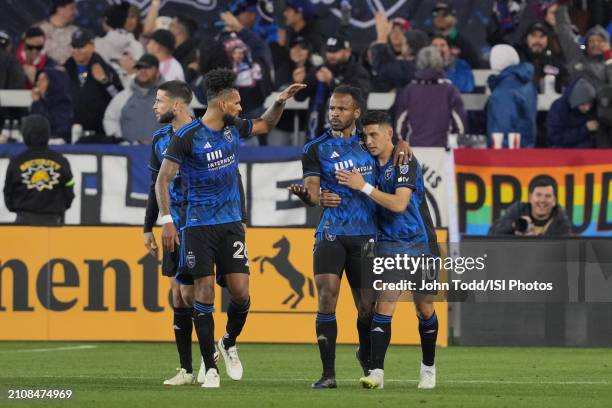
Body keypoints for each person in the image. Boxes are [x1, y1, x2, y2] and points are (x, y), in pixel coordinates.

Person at [155, 68, 305, 388]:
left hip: (231, 224)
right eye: (236, 102)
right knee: (204, 292)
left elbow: (266, 123)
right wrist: (167, 220)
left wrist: (279, 101)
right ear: (223, 104)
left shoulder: (233, 126)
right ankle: (210, 368)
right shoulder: (187, 137)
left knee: (241, 293)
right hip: (198, 225)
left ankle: (229, 341)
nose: (240, 107)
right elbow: (162, 180)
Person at [288, 85, 411, 389]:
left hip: (366, 236)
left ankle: (366, 356)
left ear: (356, 112)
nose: (334, 114)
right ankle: (328, 374)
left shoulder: (368, 142)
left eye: (342, 109)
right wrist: (311, 198)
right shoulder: (315, 148)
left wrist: (404, 143)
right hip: (331, 233)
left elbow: (392, 143)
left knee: (366, 308)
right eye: (331, 108)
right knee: (327, 294)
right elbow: (314, 189)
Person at [335, 111, 439, 390]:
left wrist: (364, 186)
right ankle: (376, 371)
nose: (368, 141)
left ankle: (428, 367)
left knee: (424, 308)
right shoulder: (364, 160)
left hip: (418, 242)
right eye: (365, 136)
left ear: (389, 134)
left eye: (374, 135)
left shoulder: (404, 161)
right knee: (384, 303)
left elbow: (398, 205)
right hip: (385, 244)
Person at [143, 80, 199, 385]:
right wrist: (148, 227)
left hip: (201, 222)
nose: (155, 106)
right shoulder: (159, 138)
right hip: (171, 225)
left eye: (159, 101)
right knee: (177, 293)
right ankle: (187, 370)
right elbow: (155, 186)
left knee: (191, 292)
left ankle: (212, 352)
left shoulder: (205, 134)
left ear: (176, 105)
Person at [295, 35, 371, 140]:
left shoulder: (358, 72)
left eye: (335, 51)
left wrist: (332, 82)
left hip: (348, 135)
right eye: (329, 51)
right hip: (319, 133)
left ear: (347, 51)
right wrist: (298, 83)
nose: (331, 55)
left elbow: (358, 99)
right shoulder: (319, 70)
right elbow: (299, 97)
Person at [3, 114, 74, 225]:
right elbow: (69, 187)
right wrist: (61, 207)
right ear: (47, 134)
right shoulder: (61, 161)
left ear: (25, 135)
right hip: (52, 222)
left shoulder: (16, 162)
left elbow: (8, 192)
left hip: (23, 222)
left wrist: (17, 208)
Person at [395, 46, 466, 147]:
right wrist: (455, 144)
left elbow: (400, 125)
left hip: (414, 149)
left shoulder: (409, 90)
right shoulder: (450, 89)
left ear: (419, 63)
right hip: (444, 149)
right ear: (439, 62)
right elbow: (460, 124)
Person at [64, 29, 123, 135]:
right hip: (70, 132)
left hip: (100, 133)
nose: (77, 50)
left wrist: (105, 81)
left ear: (92, 46)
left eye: (81, 46)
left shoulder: (107, 69)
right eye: (74, 46)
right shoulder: (65, 69)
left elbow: (119, 99)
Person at [103, 54, 162, 143]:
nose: (143, 71)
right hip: (130, 154)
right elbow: (110, 119)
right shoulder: (123, 96)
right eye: (139, 67)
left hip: (161, 154)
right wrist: (121, 141)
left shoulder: (169, 97)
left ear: (157, 72)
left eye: (148, 68)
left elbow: (182, 123)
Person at [549, 4, 612, 88]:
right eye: (591, 41)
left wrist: (609, 57)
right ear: (586, 44)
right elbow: (564, 32)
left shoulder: (609, 62)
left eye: (600, 41)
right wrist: (561, 7)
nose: (595, 44)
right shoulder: (576, 55)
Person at [486, 44, 537, 147]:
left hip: (507, 154)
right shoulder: (526, 83)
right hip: (525, 147)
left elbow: (501, 127)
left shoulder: (504, 90)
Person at [488, 175, 572, 236]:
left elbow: (559, 252)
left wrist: (533, 241)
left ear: (554, 201)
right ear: (530, 198)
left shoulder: (561, 222)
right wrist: (515, 225)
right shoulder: (518, 210)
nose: (542, 200)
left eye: (548, 196)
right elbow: (492, 233)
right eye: (538, 195)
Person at [94, 1, 144, 88]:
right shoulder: (100, 44)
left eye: (132, 17)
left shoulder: (138, 44)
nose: (129, 21)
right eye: (126, 17)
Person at [369, 12, 418, 90]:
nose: (396, 33)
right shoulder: (382, 53)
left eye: (401, 30)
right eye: (392, 30)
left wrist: (381, 36)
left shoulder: (415, 58)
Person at [547, 78, 598, 148]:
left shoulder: (595, 107)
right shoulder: (558, 108)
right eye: (583, 104)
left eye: (590, 104)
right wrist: (585, 129)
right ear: (574, 102)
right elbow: (555, 138)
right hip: (563, 150)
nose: (587, 108)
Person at [431, 1, 480, 68]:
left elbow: (474, 64)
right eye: (436, 14)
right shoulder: (429, 39)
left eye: (444, 14)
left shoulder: (462, 41)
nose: (439, 17)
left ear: (454, 18)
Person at [30, 67, 73, 142]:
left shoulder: (64, 104)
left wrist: (37, 104)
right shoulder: (40, 102)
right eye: (38, 80)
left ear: (54, 82)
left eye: (42, 80)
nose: (38, 83)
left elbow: (57, 127)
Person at [36, 0, 78, 65]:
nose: (75, 12)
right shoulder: (39, 30)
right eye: (72, 8)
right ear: (60, 9)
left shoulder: (76, 31)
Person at [170, 15, 199, 83]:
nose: (167, 29)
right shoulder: (172, 53)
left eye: (171, 25)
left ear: (178, 30)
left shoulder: (194, 56)